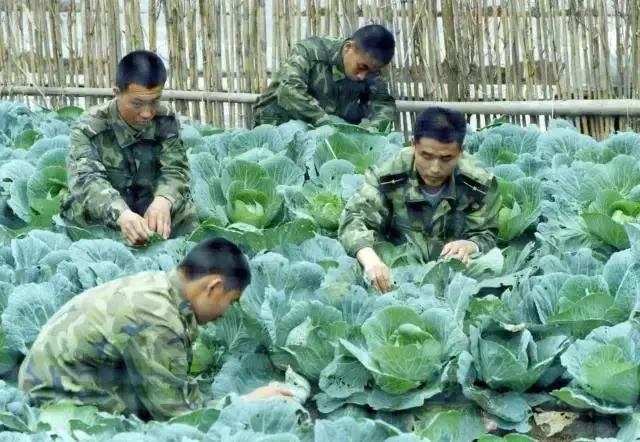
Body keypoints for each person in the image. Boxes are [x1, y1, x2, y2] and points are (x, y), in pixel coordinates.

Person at [18, 237, 292, 421]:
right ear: (213, 287)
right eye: (231, 302)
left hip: (62, 381)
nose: (226, 314)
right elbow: (176, 416)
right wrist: (245, 403)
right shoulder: (158, 317)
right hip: (56, 405)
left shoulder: (157, 285)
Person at [337, 107, 502, 293]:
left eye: (446, 158)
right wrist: (372, 262)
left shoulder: (478, 183)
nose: (435, 168)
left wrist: (470, 245)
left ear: (461, 151)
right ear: (413, 145)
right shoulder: (389, 174)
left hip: (455, 278)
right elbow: (353, 219)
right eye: (426, 156)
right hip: (395, 274)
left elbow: (488, 233)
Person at [59, 50, 198, 246]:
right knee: (77, 211)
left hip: (150, 208)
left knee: (185, 210)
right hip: (107, 212)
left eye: (154, 101)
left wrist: (163, 200)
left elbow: (175, 169)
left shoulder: (165, 119)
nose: (147, 113)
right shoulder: (89, 127)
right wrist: (121, 214)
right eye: (137, 103)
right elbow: (86, 181)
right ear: (116, 93)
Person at [252, 24, 397, 132]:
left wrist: (373, 130)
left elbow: (383, 104)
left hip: (326, 137)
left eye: (371, 71)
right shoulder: (310, 51)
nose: (363, 76)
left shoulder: (370, 66)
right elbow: (289, 91)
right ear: (348, 48)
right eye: (362, 67)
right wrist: (325, 122)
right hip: (277, 126)